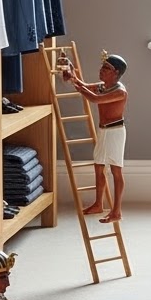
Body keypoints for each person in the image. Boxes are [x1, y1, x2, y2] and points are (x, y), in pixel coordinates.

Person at [58, 50, 128, 223]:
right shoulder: (103, 86)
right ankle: (98, 204)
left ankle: (116, 211)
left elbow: (95, 99)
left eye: (106, 68)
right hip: (103, 131)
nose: (101, 70)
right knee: (98, 167)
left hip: (115, 133)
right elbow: (84, 86)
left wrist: (77, 84)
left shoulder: (120, 92)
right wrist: (72, 73)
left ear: (116, 73)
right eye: (102, 67)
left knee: (116, 171)